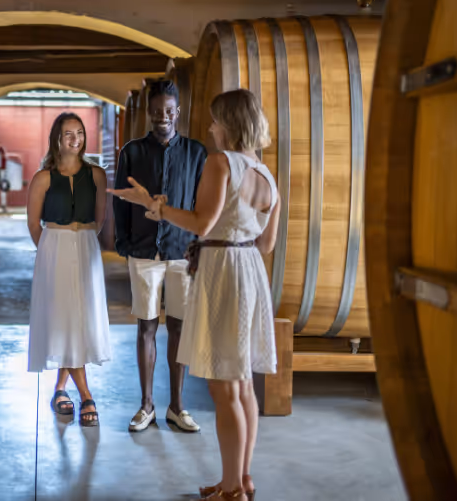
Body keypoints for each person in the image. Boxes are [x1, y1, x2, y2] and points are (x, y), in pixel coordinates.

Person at [110, 89, 281, 501]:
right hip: (250, 271)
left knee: (225, 389)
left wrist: (157, 207)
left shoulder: (222, 163)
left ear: (230, 124)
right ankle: (239, 480)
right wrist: (232, 240)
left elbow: (202, 223)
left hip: (223, 273)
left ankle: (233, 489)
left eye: (216, 121)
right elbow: (267, 244)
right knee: (242, 386)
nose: (210, 128)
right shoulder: (265, 172)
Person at [113, 79, 207, 434]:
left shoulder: (197, 153)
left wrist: (198, 244)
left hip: (182, 252)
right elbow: (120, 198)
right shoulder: (132, 152)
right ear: (149, 114)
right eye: (156, 112)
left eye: (168, 111)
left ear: (177, 112)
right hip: (143, 252)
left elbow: (203, 205)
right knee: (146, 327)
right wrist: (124, 242)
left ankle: (178, 407)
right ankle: (146, 405)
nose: (162, 117)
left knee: (179, 328)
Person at [26, 112, 111, 427]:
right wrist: (50, 250)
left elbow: (100, 218)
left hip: (86, 245)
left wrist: (83, 239)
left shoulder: (98, 175)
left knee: (78, 318)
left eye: (79, 133)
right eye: (67, 134)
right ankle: (86, 395)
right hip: (55, 248)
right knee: (63, 316)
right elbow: (34, 224)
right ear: (57, 140)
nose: (74, 139)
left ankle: (61, 389)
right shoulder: (43, 178)